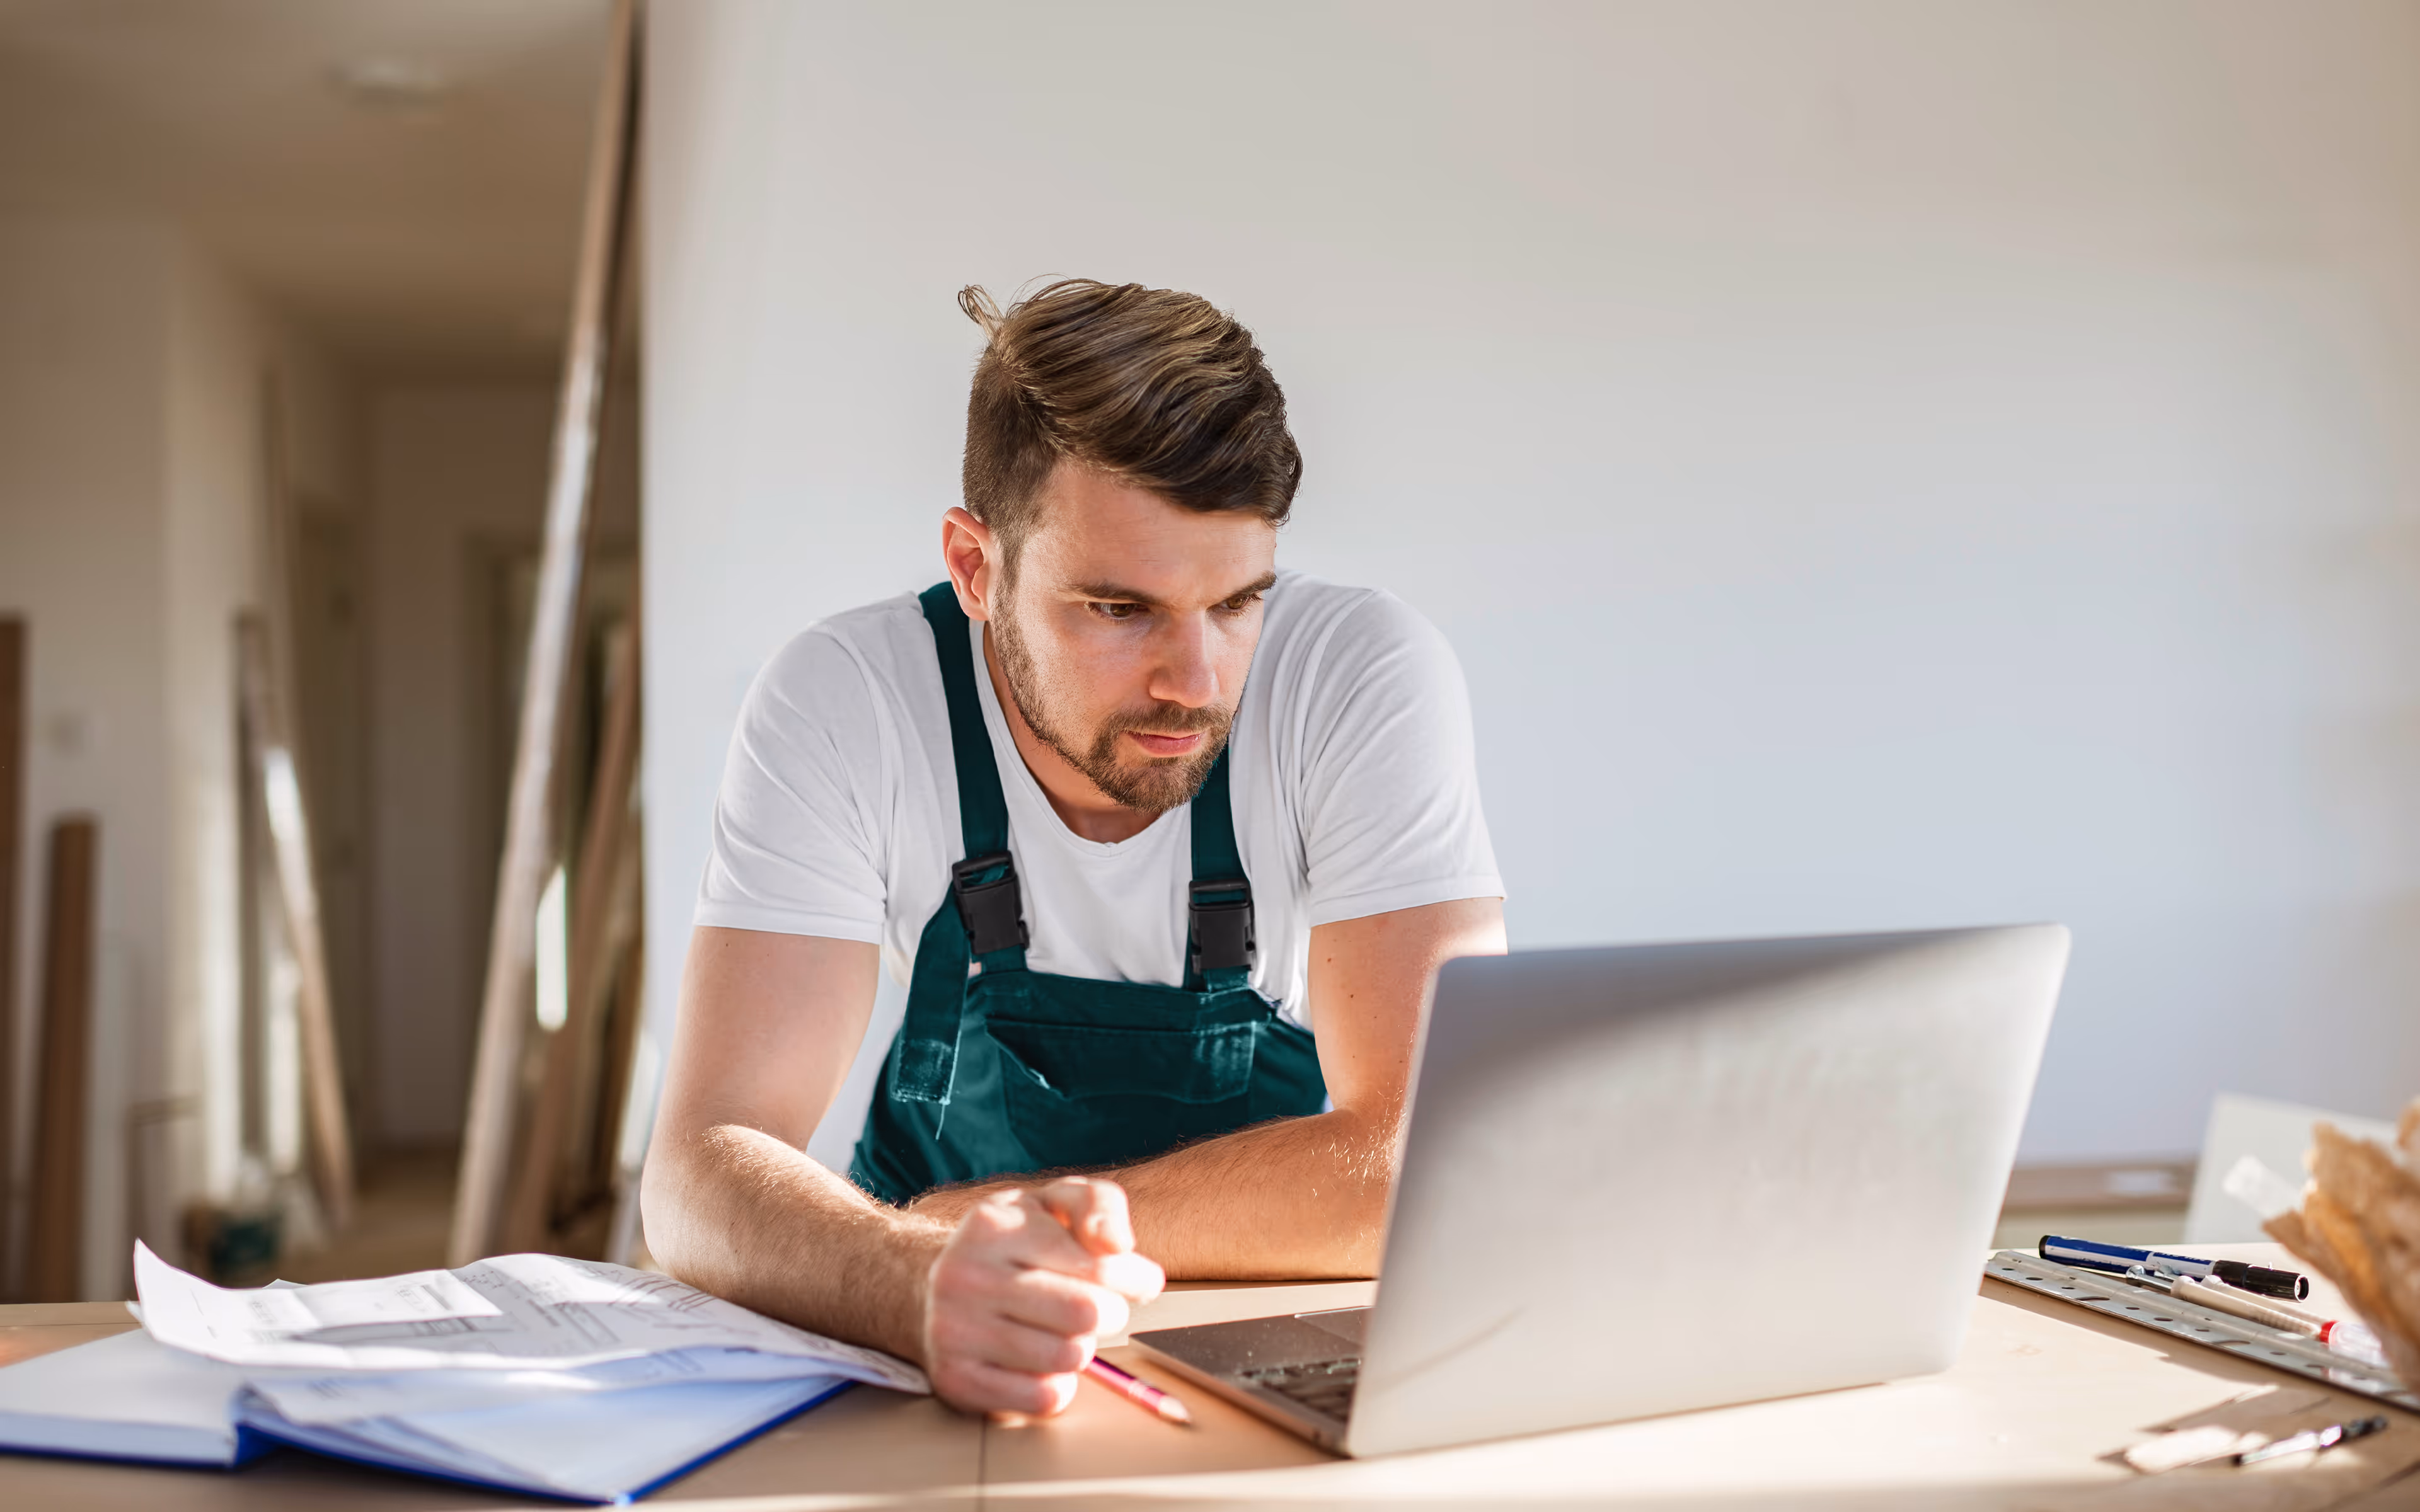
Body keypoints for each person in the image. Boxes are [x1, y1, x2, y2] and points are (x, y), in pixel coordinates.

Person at [643, 279, 1505, 1417]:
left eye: (1238, 602)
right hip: (927, 1354)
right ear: (974, 567)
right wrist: (909, 1280)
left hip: (1266, 1357)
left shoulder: (1360, 675)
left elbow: (1427, 1165)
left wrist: (958, 1230)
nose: (1196, 685)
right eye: (1119, 610)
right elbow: (700, 1170)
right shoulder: (844, 698)